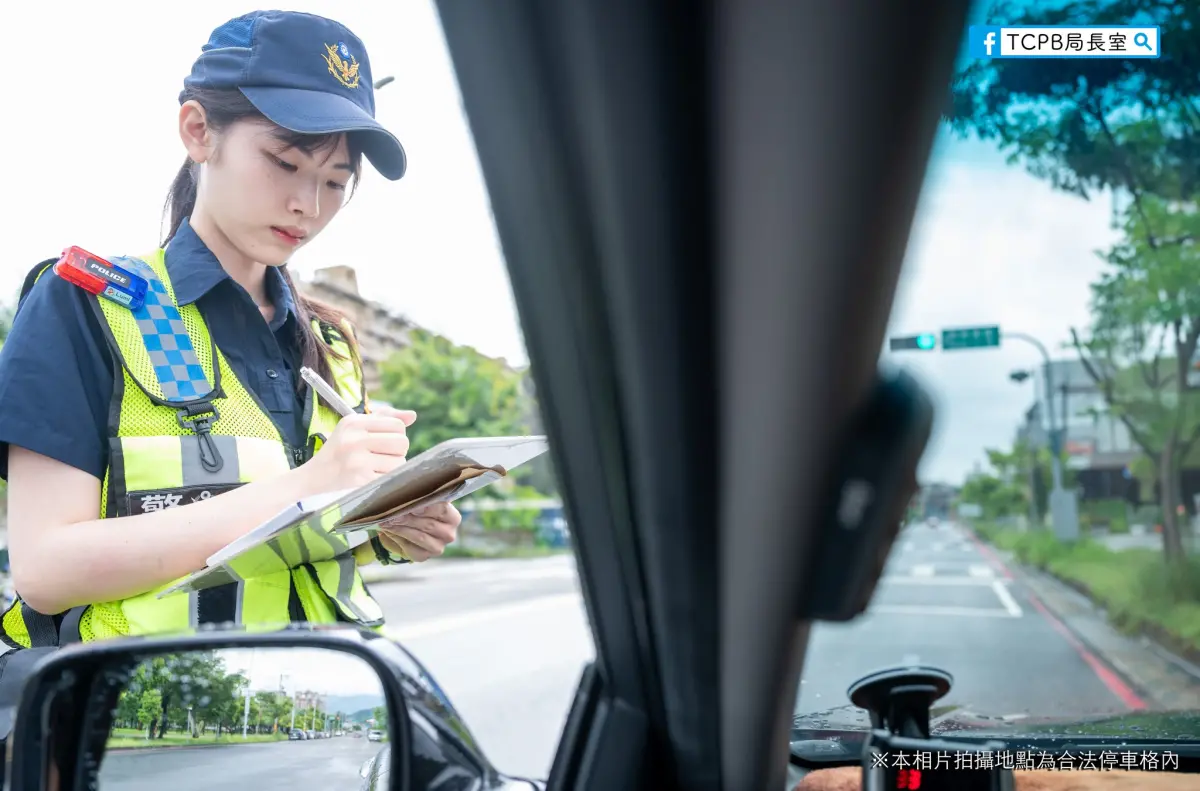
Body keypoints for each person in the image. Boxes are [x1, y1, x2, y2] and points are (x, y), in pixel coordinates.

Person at [0, 10, 461, 650]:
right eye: (284, 162)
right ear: (198, 131)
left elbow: (299, 551)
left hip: (330, 720)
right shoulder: (92, 305)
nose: (309, 205)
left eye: (336, 182)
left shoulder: (330, 342)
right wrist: (308, 487)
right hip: (141, 735)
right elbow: (46, 569)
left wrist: (386, 525)